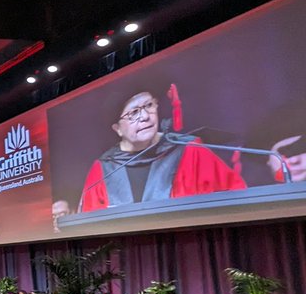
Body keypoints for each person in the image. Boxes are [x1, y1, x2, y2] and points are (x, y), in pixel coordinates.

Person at [76, 87, 246, 212]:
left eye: (148, 105)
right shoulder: (104, 169)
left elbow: (236, 198)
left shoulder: (190, 151)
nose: (144, 116)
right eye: (133, 113)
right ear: (117, 129)